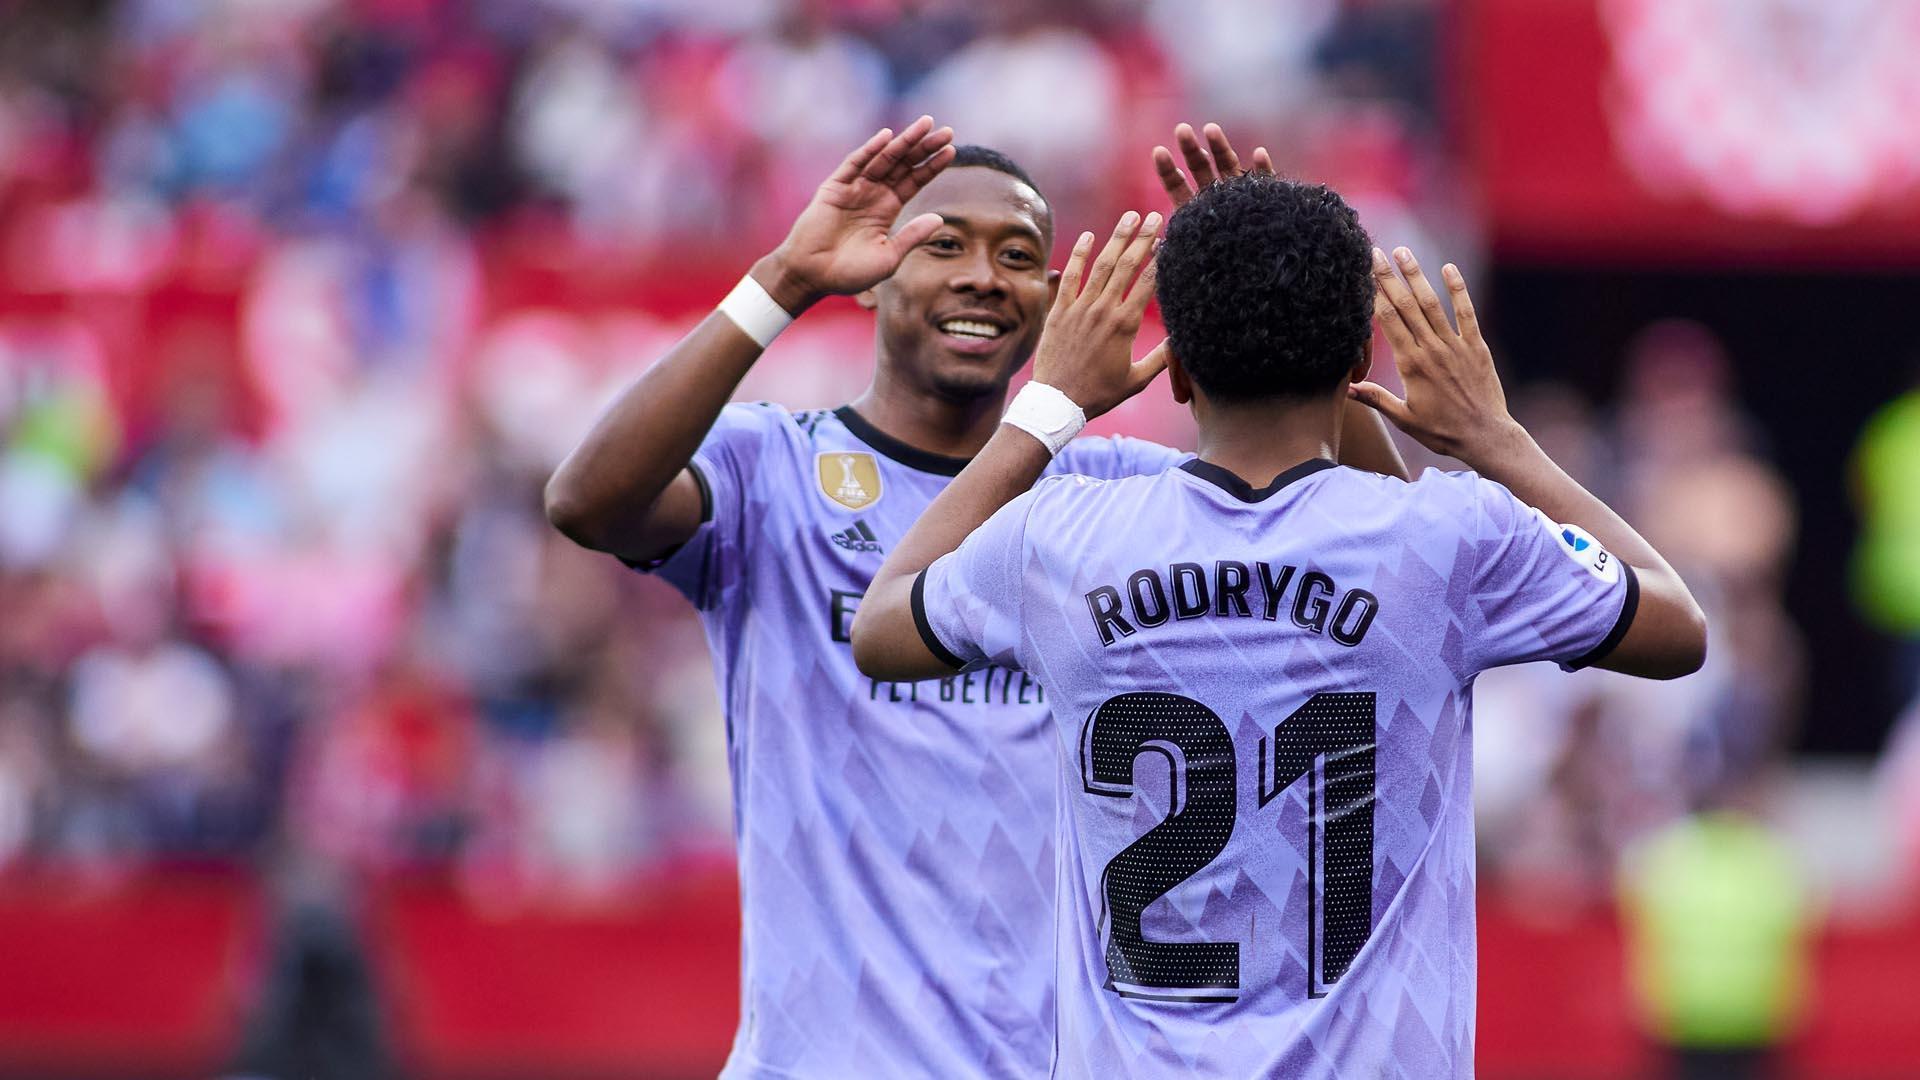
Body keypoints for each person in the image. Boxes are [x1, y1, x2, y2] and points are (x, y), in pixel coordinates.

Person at [545, 117, 1405, 1077]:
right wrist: (785, 277)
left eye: (1017, 256)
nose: (982, 276)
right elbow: (587, 502)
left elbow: (1373, 533)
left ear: (1050, 300)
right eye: (941, 243)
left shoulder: (1110, 498)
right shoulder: (772, 469)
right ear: (872, 274)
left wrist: (1267, 300)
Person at [851, 173, 1707, 1075]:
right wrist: (1495, 439)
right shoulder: (1451, 538)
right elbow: (1675, 623)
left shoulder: (1058, 539)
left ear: (1175, 369)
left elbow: (882, 622)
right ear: (1354, 370)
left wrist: (1049, 405)